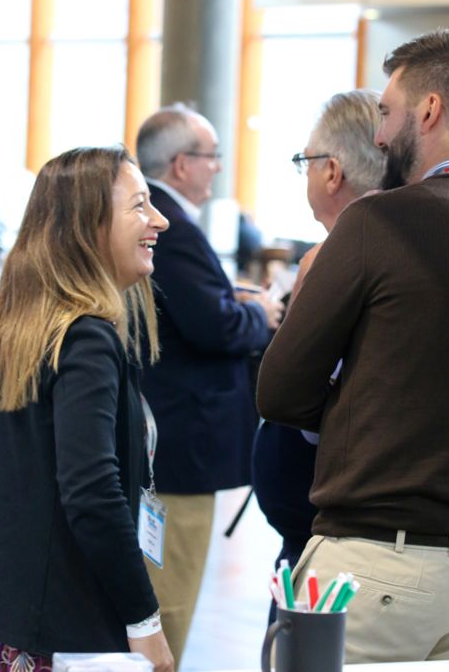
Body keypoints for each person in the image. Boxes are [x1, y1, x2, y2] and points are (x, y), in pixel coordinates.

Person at [257, 27, 449, 663]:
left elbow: (281, 390)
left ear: (429, 111)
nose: (378, 136)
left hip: (376, 563)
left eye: (386, 112)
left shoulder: (377, 222)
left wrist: (366, 413)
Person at [0, 146, 174, 672]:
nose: (160, 220)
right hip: (62, 639)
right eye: (140, 205)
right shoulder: (86, 338)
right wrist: (145, 622)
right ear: (88, 226)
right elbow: (91, 491)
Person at [136, 103, 283, 666]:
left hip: (171, 436)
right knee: (170, 597)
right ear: (180, 163)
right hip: (181, 443)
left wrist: (233, 299)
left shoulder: (160, 218)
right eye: (211, 156)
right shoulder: (169, 225)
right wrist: (259, 314)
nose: (217, 167)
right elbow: (213, 325)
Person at [251, 89, 387, 622]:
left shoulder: (334, 260)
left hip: (328, 528)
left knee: (302, 648)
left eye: (304, 160)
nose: (304, 172)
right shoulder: (392, 246)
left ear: (332, 171)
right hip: (321, 520)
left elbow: (297, 390)